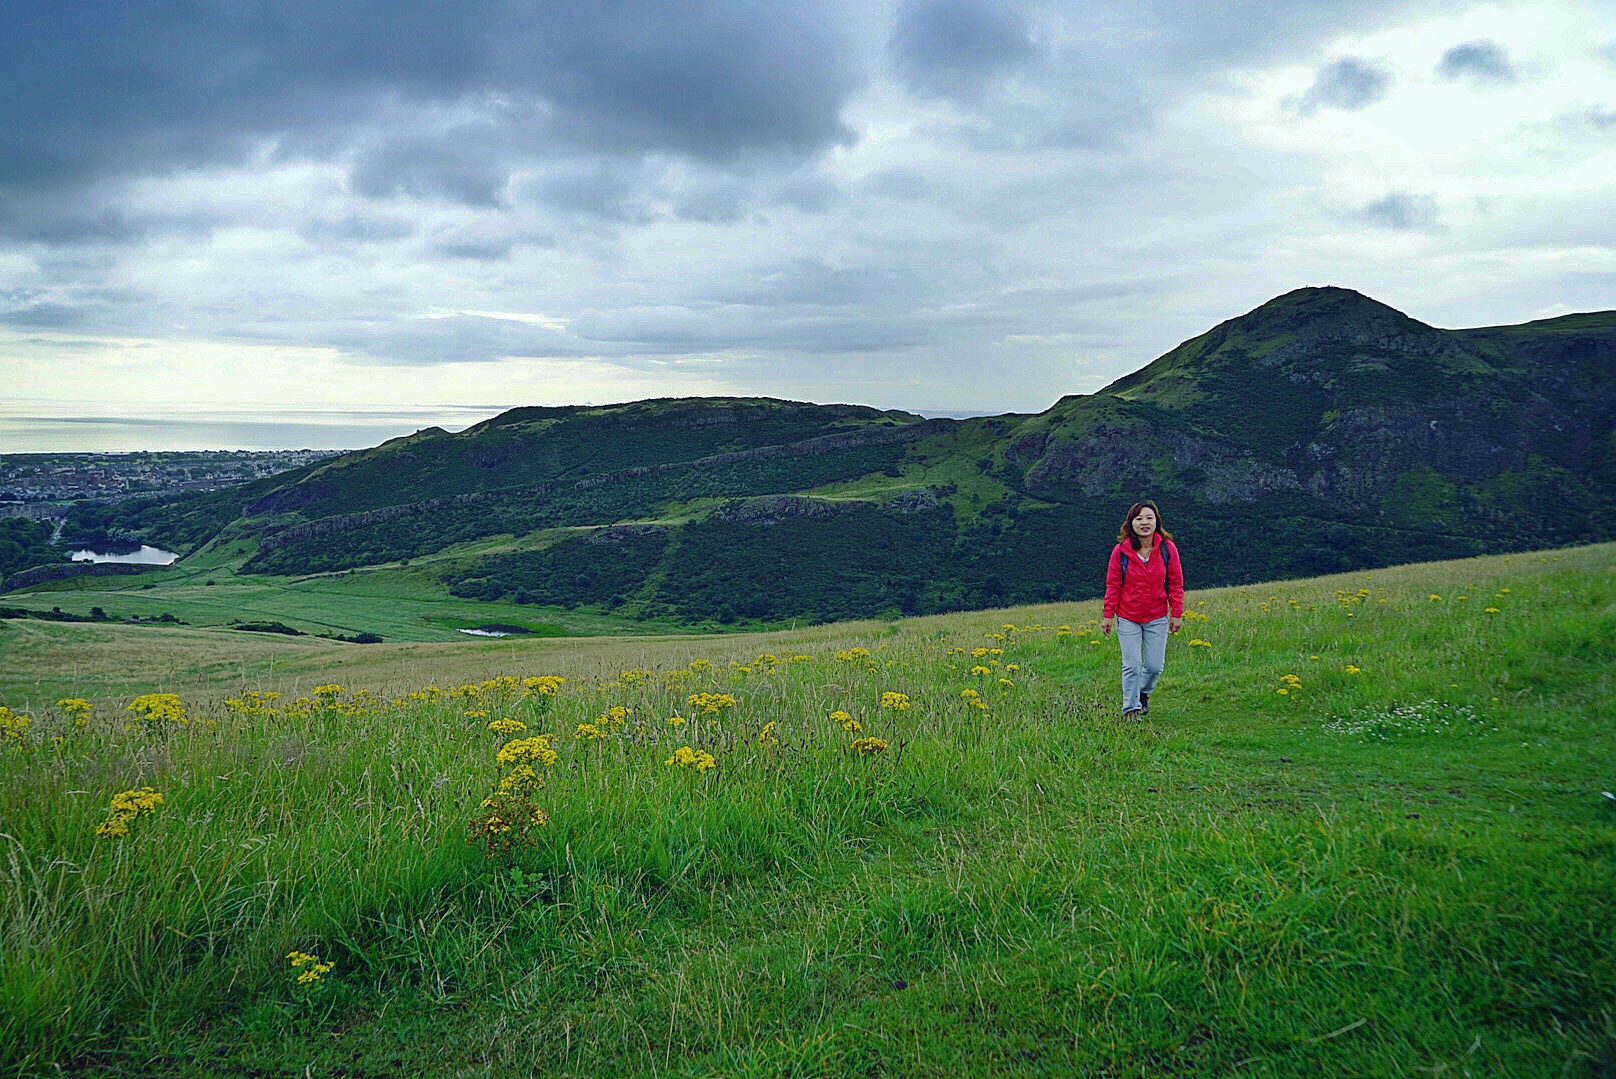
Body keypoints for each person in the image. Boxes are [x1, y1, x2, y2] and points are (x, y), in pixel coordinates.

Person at [1100, 500, 1184, 720]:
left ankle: (1143, 693)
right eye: (1139, 519)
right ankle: (1130, 709)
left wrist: (1176, 613)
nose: (1144, 523)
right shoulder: (1120, 552)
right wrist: (1108, 615)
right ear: (1131, 524)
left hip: (1157, 617)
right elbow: (1113, 585)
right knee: (1132, 665)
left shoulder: (1167, 549)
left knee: (1155, 667)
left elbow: (1175, 583)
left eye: (1149, 518)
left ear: (1157, 522)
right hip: (1128, 617)